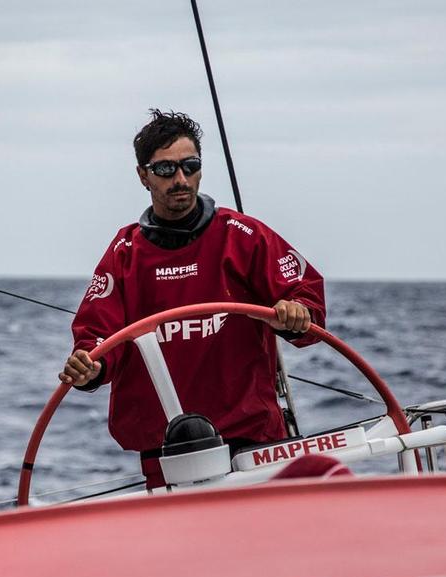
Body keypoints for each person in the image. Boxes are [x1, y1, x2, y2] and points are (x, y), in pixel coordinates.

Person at [59, 109, 325, 487]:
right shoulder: (124, 253)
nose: (180, 179)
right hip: (166, 454)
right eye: (166, 170)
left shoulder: (244, 236)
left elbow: (305, 293)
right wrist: (90, 368)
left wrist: (297, 313)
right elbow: (96, 339)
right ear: (143, 175)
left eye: (190, 165)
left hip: (252, 444)